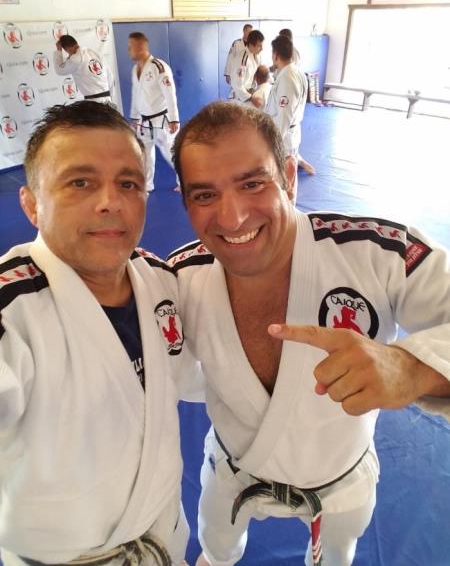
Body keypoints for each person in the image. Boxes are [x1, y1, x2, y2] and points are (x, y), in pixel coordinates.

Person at [167, 101, 450, 566]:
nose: (232, 217)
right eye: (204, 195)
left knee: (337, 555)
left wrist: (413, 368)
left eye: (252, 183)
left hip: (340, 480)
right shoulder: (177, 279)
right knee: (216, 548)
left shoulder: (376, 253)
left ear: (288, 176)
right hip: (233, 470)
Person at [0, 101, 200, 566]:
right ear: (31, 204)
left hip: (164, 537)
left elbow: (202, 374)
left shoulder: (160, 281)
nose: (111, 201)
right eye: (80, 182)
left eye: (128, 183)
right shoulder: (13, 307)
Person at [128, 31, 180, 193]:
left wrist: (174, 119)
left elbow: (170, 94)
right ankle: (147, 185)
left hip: (162, 121)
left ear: (140, 47)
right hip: (144, 121)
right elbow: (136, 95)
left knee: (171, 153)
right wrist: (135, 117)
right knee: (145, 154)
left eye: (131, 46)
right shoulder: (135, 69)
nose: (128, 50)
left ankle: (185, 181)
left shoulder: (159, 67)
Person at [266, 35, 315, 178]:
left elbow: (284, 116)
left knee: (283, 179)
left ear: (275, 55)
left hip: (284, 139)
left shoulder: (287, 78)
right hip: (290, 135)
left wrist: (273, 143)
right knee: (287, 175)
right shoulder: (295, 71)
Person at [53, 35, 114, 103]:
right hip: (107, 99)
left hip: (94, 103)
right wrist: (110, 97)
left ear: (67, 48)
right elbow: (110, 75)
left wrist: (58, 50)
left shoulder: (75, 59)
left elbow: (59, 70)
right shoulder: (94, 52)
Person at [228, 29, 264, 106]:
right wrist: (251, 98)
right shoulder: (243, 59)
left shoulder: (256, 56)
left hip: (248, 95)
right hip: (239, 99)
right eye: (259, 46)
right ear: (251, 45)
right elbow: (237, 84)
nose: (262, 49)